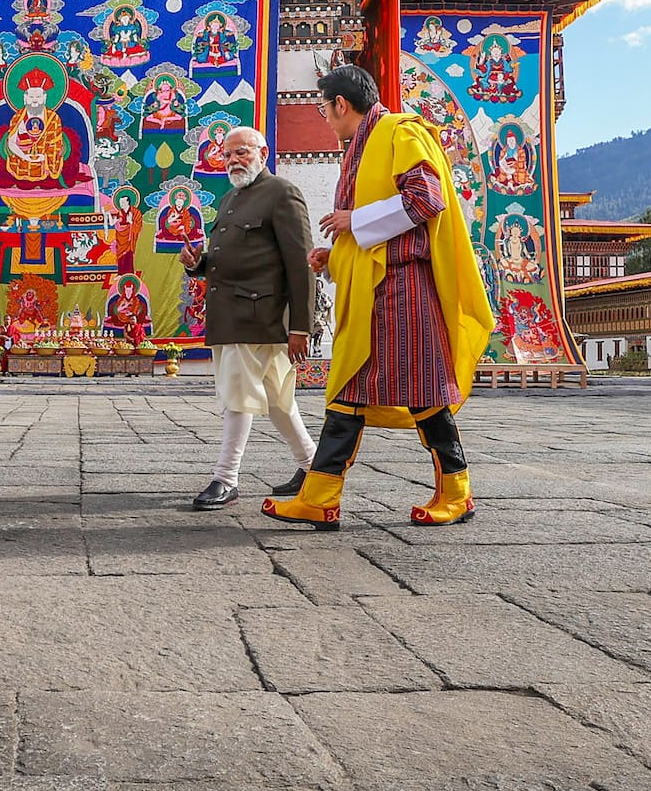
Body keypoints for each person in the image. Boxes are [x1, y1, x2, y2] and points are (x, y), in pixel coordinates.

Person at [264, 65, 492, 530]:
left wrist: (355, 223)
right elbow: (375, 226)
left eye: (325, 110)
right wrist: (338, 255)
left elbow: (427, 198)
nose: (325, 120)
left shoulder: (398, 133)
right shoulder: (364, 146)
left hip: (404, 292)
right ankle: (321, 495)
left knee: (423, 393)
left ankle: (456, 491)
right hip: (377, 289)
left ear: (341, 105)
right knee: (350, 389)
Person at [180, 126, 316, 511]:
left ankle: (226, 478)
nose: (233, 161)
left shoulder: (282, 193)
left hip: (262, 315)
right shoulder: (230, 199)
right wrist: (198, 264)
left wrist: (300, 326)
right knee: (275, 398)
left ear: (263, 151)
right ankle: (314, 466)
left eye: (241, 152)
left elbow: (301, 264)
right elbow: (230, 258)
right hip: (231, 315)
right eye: (227, 155)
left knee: (238, 393)